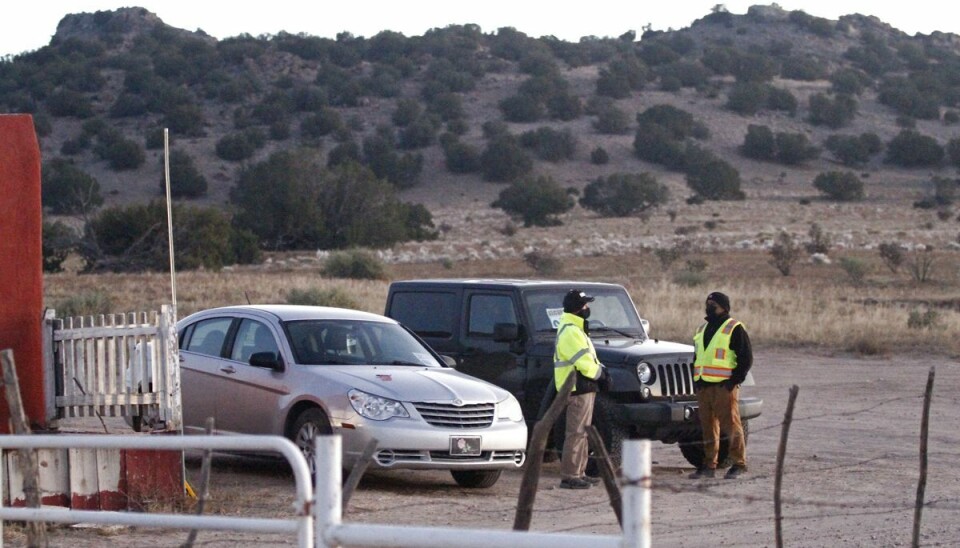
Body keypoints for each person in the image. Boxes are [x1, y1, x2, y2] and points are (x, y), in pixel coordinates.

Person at [689, 291, 753, 480]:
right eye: (707, 302)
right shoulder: (702, 329)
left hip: (724, 387)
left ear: (724, 307)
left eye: (713, 304)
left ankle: (739, 463)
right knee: (708, 427)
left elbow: (746, 359)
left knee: (731, 426)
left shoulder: (734, 328)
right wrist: (697, 381)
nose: (709, 306)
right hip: (704, 387)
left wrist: (733, 381)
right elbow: (698, 356)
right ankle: (709, 465)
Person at [554, 289, 608, 489]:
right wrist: (600, 374)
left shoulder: (576, 328)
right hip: (576, 387)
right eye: (585, 305)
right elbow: (583, 362)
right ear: (577, 308)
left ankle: (579, 472)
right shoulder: (570, 330)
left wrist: (600, 372)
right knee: (575, 433)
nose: (588, 308)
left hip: (583, 387)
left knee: (582, 433)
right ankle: (570, 475)